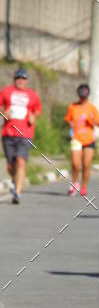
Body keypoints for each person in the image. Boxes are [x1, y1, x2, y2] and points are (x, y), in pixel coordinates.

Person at [0, 67, 42, 205]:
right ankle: (14, 179)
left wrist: (33, 116)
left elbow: (38, 109)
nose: (20, 80)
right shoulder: (6, 91)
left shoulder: (32, 94)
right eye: (18, 78)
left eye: (23, 78)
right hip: (8, 133)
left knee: (21, 161)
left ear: (27, 80)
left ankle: (17, 193)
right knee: (10, 166)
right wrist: (3, 113)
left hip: (25, 134)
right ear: (14, 79)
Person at [64, 84, 99, 197]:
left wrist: (93, 120)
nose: (82, 98)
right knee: (75, 164)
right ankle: (75, 182)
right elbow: (67, 119)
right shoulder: (73, 107)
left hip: (89, 140)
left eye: (84, 97)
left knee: (86, 164)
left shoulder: (92, 108)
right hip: (76, 138)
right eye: (80, 96)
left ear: (87, 96)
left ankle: (84, 186)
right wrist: (70, 123)